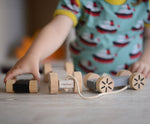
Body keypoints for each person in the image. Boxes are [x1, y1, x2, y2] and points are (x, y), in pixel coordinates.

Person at [4, 0, 150, 83]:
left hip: (130, 82)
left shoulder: (145, 3)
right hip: (83, 85)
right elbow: (57, 30)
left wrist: (146, 61)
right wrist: (33, 56)